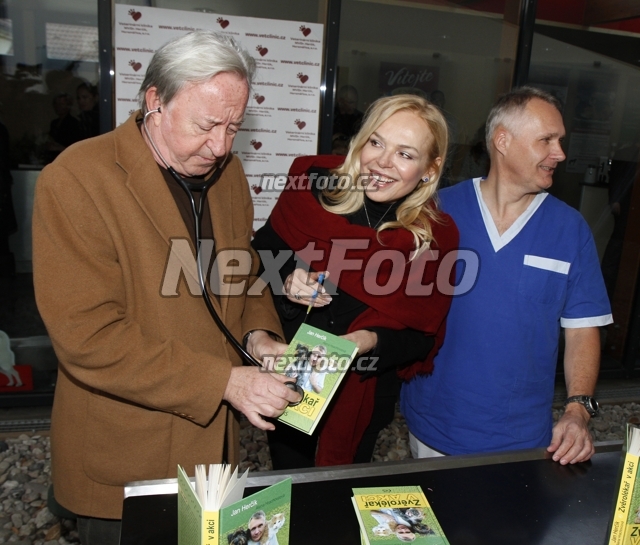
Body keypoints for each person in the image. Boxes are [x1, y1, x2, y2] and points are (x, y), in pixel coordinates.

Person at [32, 31, 300, 543]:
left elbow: (242, 274)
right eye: (206, 125)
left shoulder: (229, 173)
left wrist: (259, 336)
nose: (221, 146)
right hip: (127, 455)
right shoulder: (76, 179)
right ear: (155, 101)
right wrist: (225, 382)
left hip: (212, 450)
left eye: (234, 127)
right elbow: (88, 337)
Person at [401, 86, 613, 464]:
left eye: (560, 141)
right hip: (434, 426)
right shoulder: (435, 212)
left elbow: (582, 330)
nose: (560, 153)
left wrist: (578, 410)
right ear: (503, 141)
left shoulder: (570, 229)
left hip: (523, 437)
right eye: (546, 140)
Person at [252, 94, 459, 468]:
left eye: (405, 154)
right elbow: (261, 254)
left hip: (365, 389)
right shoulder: (309, 193)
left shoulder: (434, 237)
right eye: (376, 142)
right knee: (288, 481)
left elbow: (422, 336)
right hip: (290, 375)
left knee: (341, 489)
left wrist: (366, 341)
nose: (382, 161)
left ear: (430, 168)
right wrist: (286, 279)